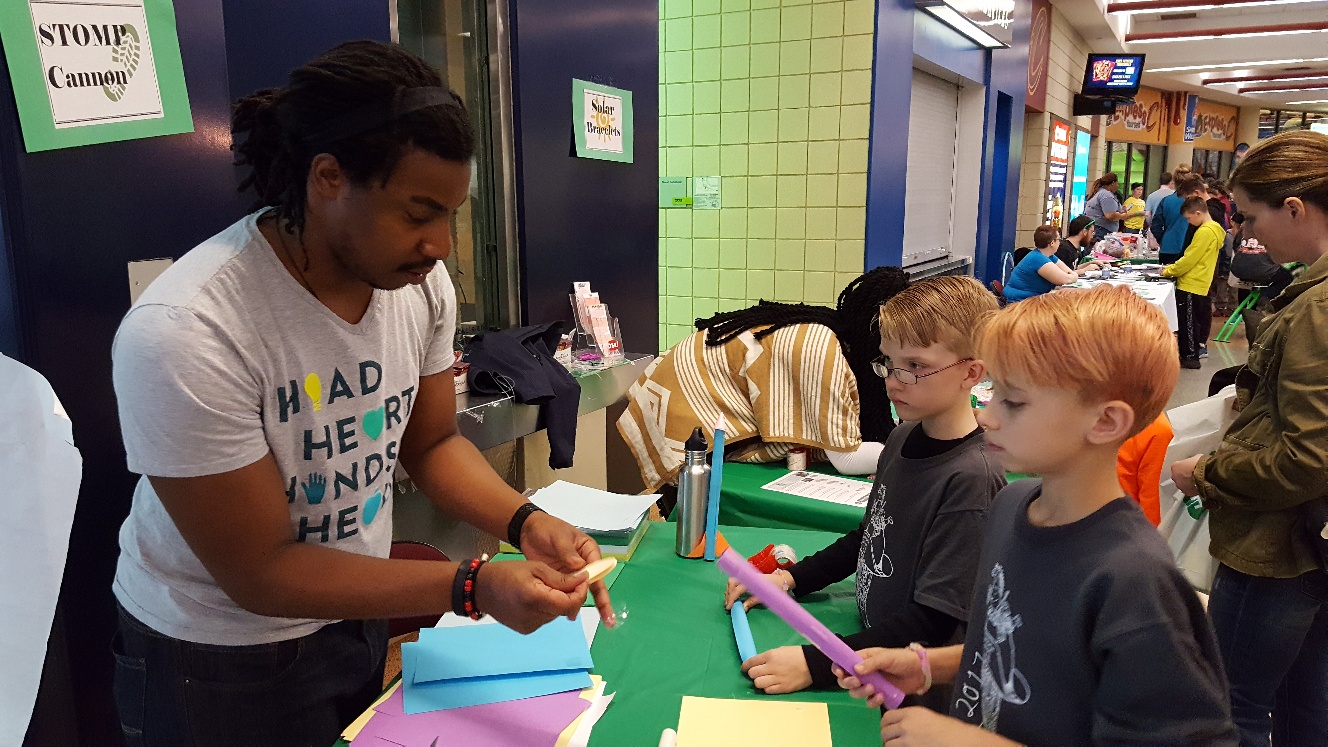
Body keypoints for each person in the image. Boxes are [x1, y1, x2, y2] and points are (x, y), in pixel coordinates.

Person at [108, 42, 613, 746]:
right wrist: (473, 586)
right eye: (417, 212)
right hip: (218, 659)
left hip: (353, 618)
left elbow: (432, 444)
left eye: (450, 215)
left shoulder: (418, 288)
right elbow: (262, 571)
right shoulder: (188, 330)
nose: (439, 244)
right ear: (328, 178)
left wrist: (525, 523)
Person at [833, 285, 1237, 746]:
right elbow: (1020, 648)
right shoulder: (1011, 506)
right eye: (993, 393)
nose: (987, 417)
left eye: (1014, 401)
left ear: (1106, 422)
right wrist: (930, 665)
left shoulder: (1133, 581)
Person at [723, 276, 1006, 697]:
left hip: (910, 683)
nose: (894, 380)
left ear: (972, 372)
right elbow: (871, 536)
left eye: (916, 367)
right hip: (872, 644)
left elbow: (933, 623)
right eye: (888, 363)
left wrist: (817, 663)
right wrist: (789, 580)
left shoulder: (973, 480)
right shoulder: (901, 438)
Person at [1171, 130, 1328, 747]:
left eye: (1253, 216)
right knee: (1304, 701)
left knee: (1232, 705)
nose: (1249, 235)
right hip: (1310, 546)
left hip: (1276, 548)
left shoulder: (1316, 310)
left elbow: (1309, 458)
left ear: (1294, 208)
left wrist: (1204, 473)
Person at [1163, 196, 1224, 369]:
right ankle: (1192, 352)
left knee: (1187, 322)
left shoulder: (1205, 231)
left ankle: (1189, 356)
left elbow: (1190, 258)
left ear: (1198, 213)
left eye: (1189, 218)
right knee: (1193, 321)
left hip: (1191, 282)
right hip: (1201, 281)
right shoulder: (1216, 230)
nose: (1189, 222)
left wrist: (1169, 270)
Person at [1003, 225, 1096, 302]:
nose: (1060, 242)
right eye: (1059, 239)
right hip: (1019, 303)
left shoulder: (1048, 255)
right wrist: (1073, 275)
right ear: (1052, 243)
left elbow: (1068, 271)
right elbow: (1065, 279)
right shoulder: (1037, 259)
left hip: (1030, 300)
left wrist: (1072, 274)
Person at [1230, 213, 1295, 301]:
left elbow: (1235, 245)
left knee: (1251, 279)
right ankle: (1265, 298)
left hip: (1237, 268)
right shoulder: (1275, 227)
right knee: (1286, 277)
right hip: (1262, 269)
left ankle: (1245, 308)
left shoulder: (1247, 225)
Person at [1155, 173, 1208, 265]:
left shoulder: (1166, 200)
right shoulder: (1201, 206)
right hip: (1189, 248)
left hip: (1168, 246)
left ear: (1174, 183)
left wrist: (1163, 239)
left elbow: (1156, 225)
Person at [1084, 173, 1140, 242]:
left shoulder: (1099, 192)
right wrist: (1122, 216)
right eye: (1117, 183)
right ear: (1113, 183)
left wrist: (1120, 210)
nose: (1118, 186)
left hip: (1097, 229)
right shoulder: (1106, 195)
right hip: (1102, 231)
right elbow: (1110, 215)